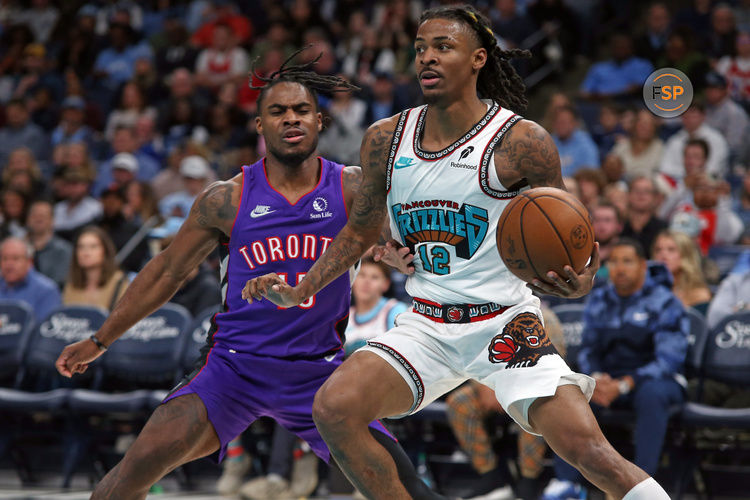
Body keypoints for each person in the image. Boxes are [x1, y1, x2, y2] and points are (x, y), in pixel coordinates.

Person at [244, 6, 670, 499]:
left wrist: (580, 281)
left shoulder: (522, 141)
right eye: (420, 48)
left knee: (592, 454)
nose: (427, 57)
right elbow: (360, 232)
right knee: (334, 408)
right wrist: (302, 287)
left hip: (506, 325)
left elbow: (571, 247)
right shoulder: (385, 138)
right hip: (427, 323)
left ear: (478, 59)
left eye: (443, 47)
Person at [54, 52, 446, 500]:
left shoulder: (353, 188)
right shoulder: (226, 198)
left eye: (301, 111)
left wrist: (396, 254)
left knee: (405, 490)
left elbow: (413, 244)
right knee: (123, 484)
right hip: (233, 366)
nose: (290, 119)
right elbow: (166, 271)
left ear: (319, 121)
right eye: (277, 112)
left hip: (317, 372)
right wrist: (100, 339)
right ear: (260, 127)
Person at [547, 238, 688, 498]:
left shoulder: (664, 301)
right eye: (614, 262)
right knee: (573, 392)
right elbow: (589, 349)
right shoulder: (600, 298)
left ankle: (641, 488)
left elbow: (668, 360)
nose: (620, 269)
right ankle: (566, 484)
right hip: (609, 381)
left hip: (654, 380)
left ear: (643, 266)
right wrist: (598, 379)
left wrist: (625, 384)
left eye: (627, 261)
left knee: (652, 395)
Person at [62, 226, 129, 311]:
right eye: (81, 247)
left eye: (93, 246)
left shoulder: (120, 282)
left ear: (105, 251)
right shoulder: (71, 285)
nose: (86, 252)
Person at [0, 236, 61, 322]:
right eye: (5, 259)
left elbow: (45, 330)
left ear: (30, 262)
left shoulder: (47, 291)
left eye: (15, 258)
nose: (9, 265)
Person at [652, 230, 712, 313]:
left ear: (685, 254)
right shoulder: (645, 289)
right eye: (658, 250)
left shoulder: (698, 294)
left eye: (671, 250)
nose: (663, 255)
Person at [25, 199, 73, 289]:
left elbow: (58, 283)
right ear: (27, 219)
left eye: (43, 215)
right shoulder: (17, 248)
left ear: (52, 220)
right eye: (34, 215)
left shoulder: (64, 250)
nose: (38, 218)